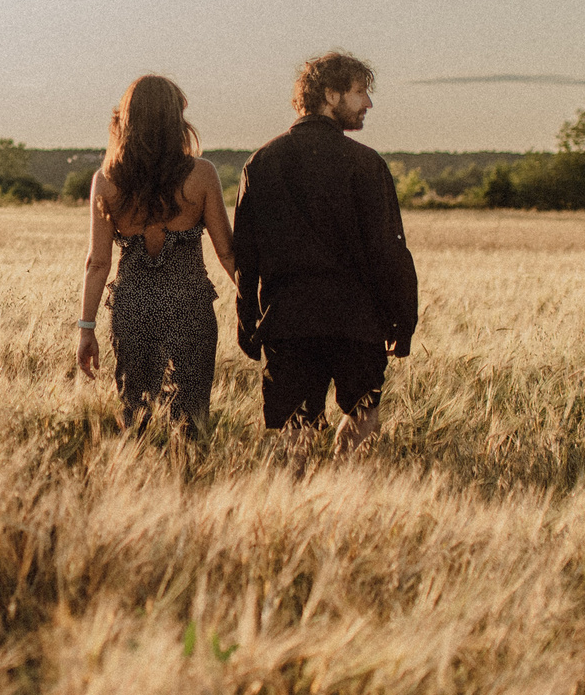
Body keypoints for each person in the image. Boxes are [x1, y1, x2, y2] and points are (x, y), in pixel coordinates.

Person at [231, 52, 418, 452]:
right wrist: (403, 320)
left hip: (288, 318)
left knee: (296, 425)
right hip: (358, 318)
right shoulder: (366, 164)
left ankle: (300, 502)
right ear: (330, 96)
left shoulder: (261, 162)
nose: (368, 103)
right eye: (359, 92)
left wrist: (247, 320)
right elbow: (389, 251)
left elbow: (246, 256)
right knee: (363, 412)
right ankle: (341, 480)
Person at [76, 75, 237, 430]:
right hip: (190, 307)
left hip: (133, 308)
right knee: (191, 418)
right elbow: (227, 252)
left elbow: (97, 263)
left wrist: (86, 329)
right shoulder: (202, 174)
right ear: (175, 119)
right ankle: (186, 477)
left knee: (137, 413)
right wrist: (255, 304)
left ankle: (138, 478)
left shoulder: (106, 180)